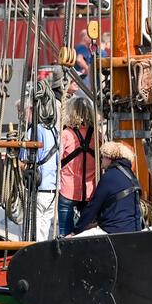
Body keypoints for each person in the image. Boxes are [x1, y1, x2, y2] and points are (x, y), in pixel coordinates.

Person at [72, 141, 142, 236]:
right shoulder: (131, 176)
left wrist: (76, 231)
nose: (101, 159)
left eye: (103, 157)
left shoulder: (109, 177)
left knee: (72, 243)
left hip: (113, 231)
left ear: (110, 158)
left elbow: (93, 207)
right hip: (133, 230)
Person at [57, 95, 97, 237]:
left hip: (67, 190)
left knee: (65, 234)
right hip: (90, 192)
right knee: (87, 234)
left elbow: (57, 160)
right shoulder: (97, 135)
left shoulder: (66, 134)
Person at [25, 101, 60, 241]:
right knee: (46, 229)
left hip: (38, 189)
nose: (23, 116)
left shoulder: (33, 130)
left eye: (25, 112)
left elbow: (24, 160)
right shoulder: (54, 131)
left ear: (33, 111)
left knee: (34, 232)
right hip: (52, 190)